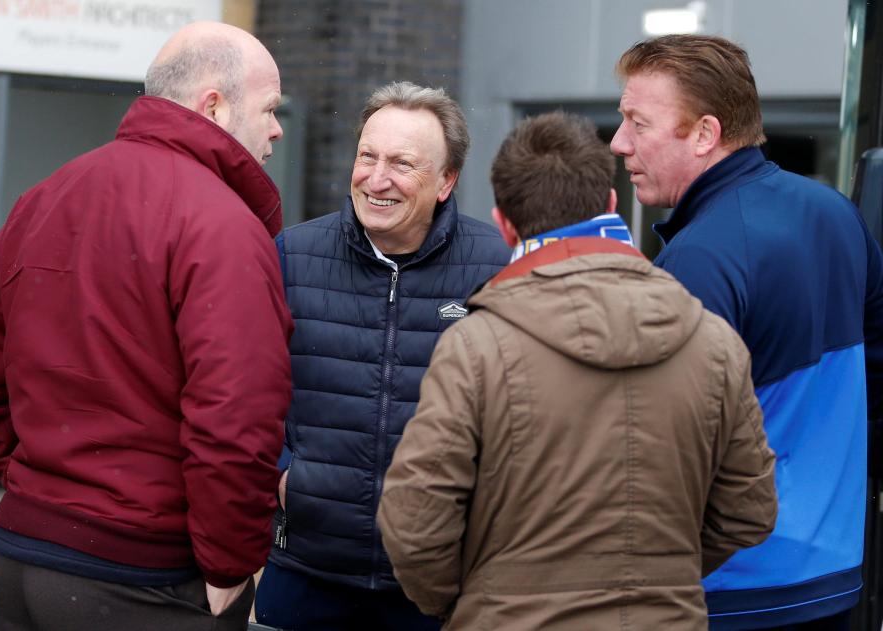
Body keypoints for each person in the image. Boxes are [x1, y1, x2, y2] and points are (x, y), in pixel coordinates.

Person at [0, 21, 293, 631]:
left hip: (24, 555)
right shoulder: (222, 227)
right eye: (268, 109)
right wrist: (230, 568)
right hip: (140, 578)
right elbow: (234, 418)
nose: (277, 128)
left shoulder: (46, 196)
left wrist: (37, 484)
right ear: (214, 104)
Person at [377, 110, 778, 630]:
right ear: (611, 205)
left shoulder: (475, 347)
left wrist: (469, 602)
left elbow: (414, 521)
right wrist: (658, 579)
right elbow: (749, 510)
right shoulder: (714, 343)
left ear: (503, 224)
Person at [610, 34, 883, 630]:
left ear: (705, 134)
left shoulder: (701, 257)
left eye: (638, 123)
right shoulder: (837, 213)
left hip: (734, 589)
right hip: (837, 573)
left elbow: (665, 448)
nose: (619, 142)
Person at [253, 81, 510, 631]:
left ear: (446, 182)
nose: (377, 178)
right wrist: (282, 475)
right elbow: (245, 387)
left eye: (402, 163)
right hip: (305, 570)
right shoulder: (291, 256)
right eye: (367, 156)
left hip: (438, 584)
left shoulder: (495, 267)